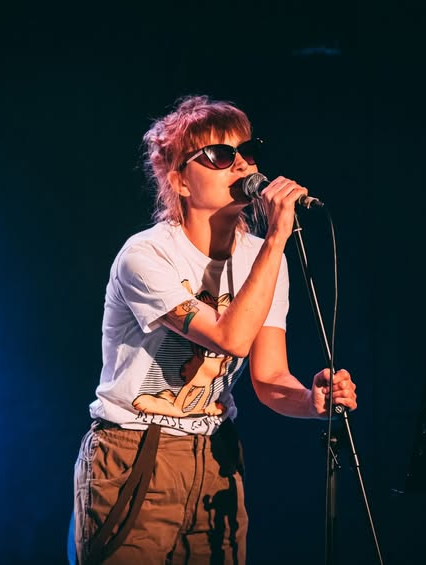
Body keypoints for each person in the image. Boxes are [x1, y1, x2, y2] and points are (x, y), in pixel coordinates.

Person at [73, 94, 357, 564]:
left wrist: (310, 402)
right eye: (220, 155)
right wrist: (278, 237)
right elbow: (230, 338)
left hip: (215, 454)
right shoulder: (146, 256)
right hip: (135, 451)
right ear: (180, 180)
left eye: (248, 151)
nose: (241, 164)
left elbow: (270, 378)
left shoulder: (261, 256)